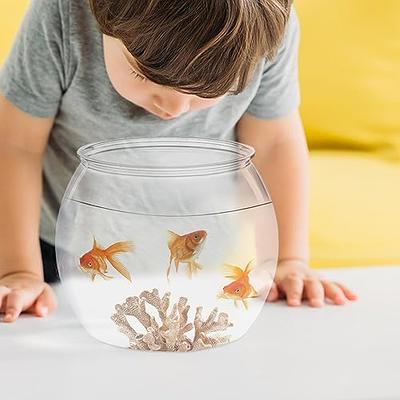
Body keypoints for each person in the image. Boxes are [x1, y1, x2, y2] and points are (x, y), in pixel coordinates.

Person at [0, 0, 357, 323]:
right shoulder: (61, 15)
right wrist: (18, 271)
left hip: (199, 250)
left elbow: (275, 144)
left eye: (206, 93)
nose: (173, 109)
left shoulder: (263, 30)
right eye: (143, 75)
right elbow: (16, 145)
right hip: (54, 246)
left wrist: (288, 261)